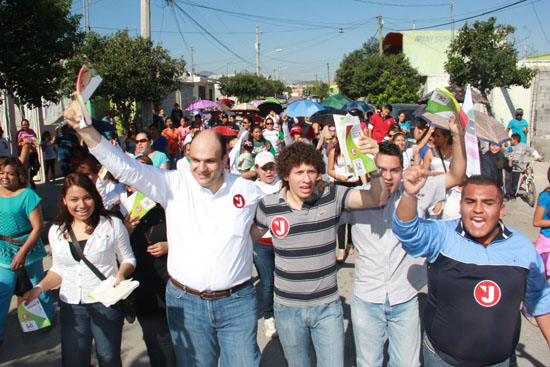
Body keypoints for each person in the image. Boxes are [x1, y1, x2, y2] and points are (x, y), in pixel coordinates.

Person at [63, 100, 266, 366]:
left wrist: (240, 245)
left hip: (237, 302)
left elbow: (271, 216)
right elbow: (125, 166)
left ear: (225, 159)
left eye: (210, 161)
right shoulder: (173, 185)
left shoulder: (247, 190)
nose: (201, 168)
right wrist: (85, 130)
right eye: (194, 160)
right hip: (187, 303)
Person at [341, 115, 466, 367]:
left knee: (407, 364)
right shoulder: (357, 198)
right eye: (382, 170)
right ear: (373, 168)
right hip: (367, 297)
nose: (388, 177)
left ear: (402, 170)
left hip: (406, 296)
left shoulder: (418, 189)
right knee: (368, 363)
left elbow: (456, 175)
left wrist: (457, 136)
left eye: (394, 170)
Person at [251, 141, 389, 367]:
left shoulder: (333, 196)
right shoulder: (268, 206)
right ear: (286, 174)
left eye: (311, 171)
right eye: (299, 172)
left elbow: (378, 198)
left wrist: (373, 167)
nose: (306, 179)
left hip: (327, 308)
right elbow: (246, 242)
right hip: (287, 309)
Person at [393, 173, 550, 366]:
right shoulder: (443, 235)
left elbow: (541, 301)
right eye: (470, 201)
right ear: (460, 207)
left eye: (488, 203)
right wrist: (409, 194)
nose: (478, 209)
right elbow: (406, 231)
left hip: (500, 362)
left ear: (501, 210)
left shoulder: (523, 248)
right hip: (441, 359)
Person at [23, 172, 135, 367]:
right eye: (74, 199)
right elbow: (58, 269)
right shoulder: (56, 231)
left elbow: (128, 258)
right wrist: (39, 288)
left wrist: (121, 273)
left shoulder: (112, 225)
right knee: (74, 361)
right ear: (65, 201)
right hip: (71, 307)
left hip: (106, 304)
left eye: (87, 197)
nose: (81, 205)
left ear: (95, 198)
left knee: (109, 359)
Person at [123, 155, 176, 367]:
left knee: (178, 338)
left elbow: (192, 237)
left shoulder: (169, 207)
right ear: (127, 185)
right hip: (143, 287)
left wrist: (168, 246)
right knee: (156, 340)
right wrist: (124, 231)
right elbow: (112, 253)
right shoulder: (120, 213)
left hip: (171, 283)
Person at [0, 157, 56, 345]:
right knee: (3, 293)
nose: (5, 177)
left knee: (38, 285)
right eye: (1, 173)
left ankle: (48, 316)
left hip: (28, 249)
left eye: (9, 173)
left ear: (18, 176)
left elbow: (38, 228)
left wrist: (22, 253)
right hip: (3, 251)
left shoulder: (28, 196)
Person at [252, 152, 281, 339]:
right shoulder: (250, 188)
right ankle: (269, 318)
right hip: (261, 244)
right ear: (257, 170)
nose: (269, 171)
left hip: (283, 242)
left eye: (271, 166)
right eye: (264, 168)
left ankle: (285, 314)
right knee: (268, 282)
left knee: (285, 281)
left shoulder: (285, 183)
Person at [506, 133, 542, 200]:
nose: (510, 141)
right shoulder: (510, 147)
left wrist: (538, 156)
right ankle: (507, 195)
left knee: (515, 182)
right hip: (510, 166)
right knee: (508, 181)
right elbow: (505, 154)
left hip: (519, 168)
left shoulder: (523, 146)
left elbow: (532, 151)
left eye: (511, 140)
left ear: (515, 140)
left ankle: (513, 195)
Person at [16, 119, 40, 188]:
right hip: (25, 153)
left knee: (37, 166)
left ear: (28, 125)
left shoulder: (32, 131)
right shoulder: (20, 133)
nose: (25, 126)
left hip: (33, 152)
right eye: (23, 125)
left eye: (26, 125)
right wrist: (25, 142)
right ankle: (29, 181)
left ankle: (31, 178)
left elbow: (36, 141)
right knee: (27, 168)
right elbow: (18, 143)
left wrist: (34, 142)